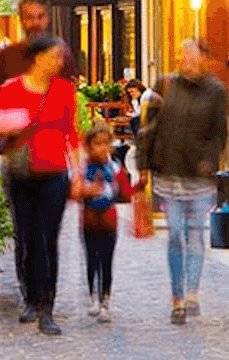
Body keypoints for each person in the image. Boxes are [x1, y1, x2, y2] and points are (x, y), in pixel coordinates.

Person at [0, 34, 80, 336]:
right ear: (39, 58)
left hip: (55, 171)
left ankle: (47, 308)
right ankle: (28, 296)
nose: (60, 61)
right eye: (55, 56)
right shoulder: (12, 89)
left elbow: (72, 132)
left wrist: (78, 173)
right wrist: (13, 123)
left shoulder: (65, 89)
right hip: (21, 172)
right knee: (26, 237)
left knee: (48, 240)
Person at [138, 39, 228, 326]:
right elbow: (147, 126)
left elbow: (219, 133)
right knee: (176, 234)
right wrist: (143, 165)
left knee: (195, 236)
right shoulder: (165, 84)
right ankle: (177, 297)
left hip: (199, 177)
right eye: (181, 54)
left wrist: (210, 162)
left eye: (190, 55)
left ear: (203, 58)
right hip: (168, 172)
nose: (184, 59)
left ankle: (192, 294)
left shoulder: (216, 92)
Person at [75, 123, 144, 322]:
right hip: (88, 222)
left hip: (109, 223)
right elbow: (74, 192)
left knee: (106, 262)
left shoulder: (115, 168)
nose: (103, 148)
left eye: (107, 143)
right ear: (88, 146)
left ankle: (105, 299)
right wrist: (86, 191)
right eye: (98, 144)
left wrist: (137, 188)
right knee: (91, 261)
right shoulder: (83, 168)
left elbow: (124, 193)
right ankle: (92, 298)